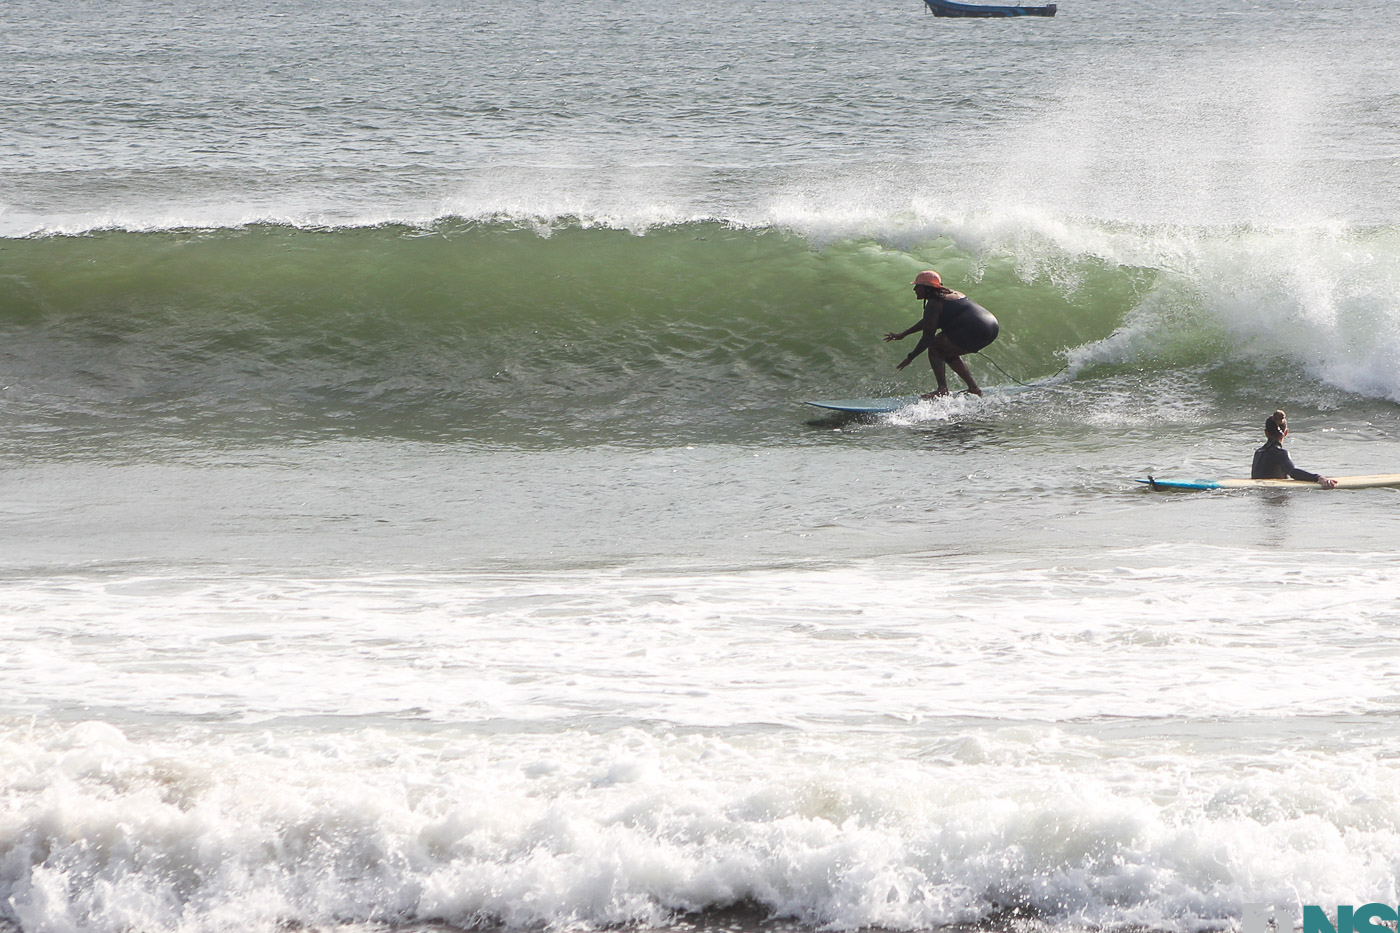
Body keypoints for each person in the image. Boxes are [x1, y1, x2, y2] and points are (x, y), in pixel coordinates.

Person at [883, 270, 999, 397]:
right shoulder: (949, 295)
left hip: (975, 328)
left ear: (928, 289)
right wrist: (904, 334)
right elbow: (928, 322)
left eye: (918, 286)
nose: (915, 289)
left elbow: (927, 337)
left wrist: (910, 357)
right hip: (991, 327)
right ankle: (974, 388)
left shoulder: (934, 304)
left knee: (935, 347)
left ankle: (942, 389)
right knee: (947, 352)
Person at [1251, 409, 1337, 488]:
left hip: (1260, 497)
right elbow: (1293, 472)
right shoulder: (1280, 453)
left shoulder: (1258, 452)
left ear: (1266, 433)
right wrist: (1318, 477)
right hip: (1273, 494)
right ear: (1286, 432)